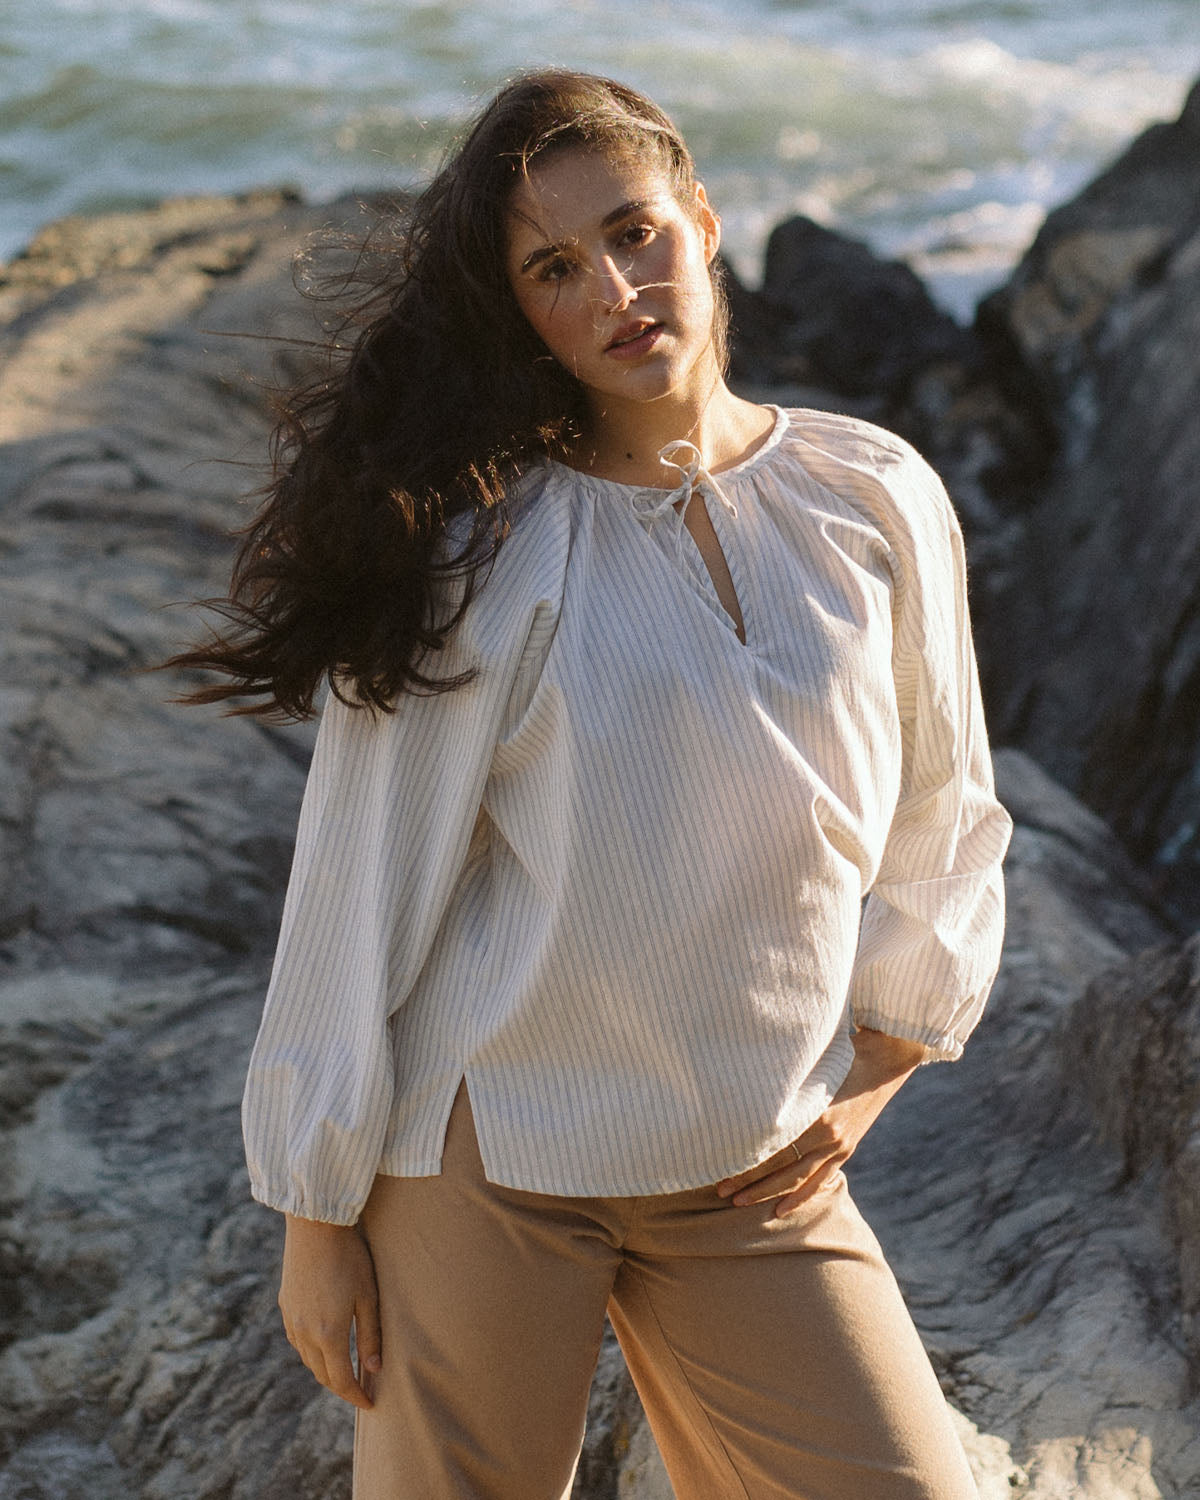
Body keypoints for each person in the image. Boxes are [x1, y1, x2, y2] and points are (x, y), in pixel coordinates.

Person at [174, 68, 1012, 1500]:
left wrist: (867, 1078)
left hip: (747, 1163)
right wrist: (317, 1217)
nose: (616, 286)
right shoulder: (486, 559)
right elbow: (360, 877)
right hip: (486, 1150)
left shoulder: (874, 494)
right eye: (556, 269)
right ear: (524, 319)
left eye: (633, 232)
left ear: (701, 216)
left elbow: (950, 816)